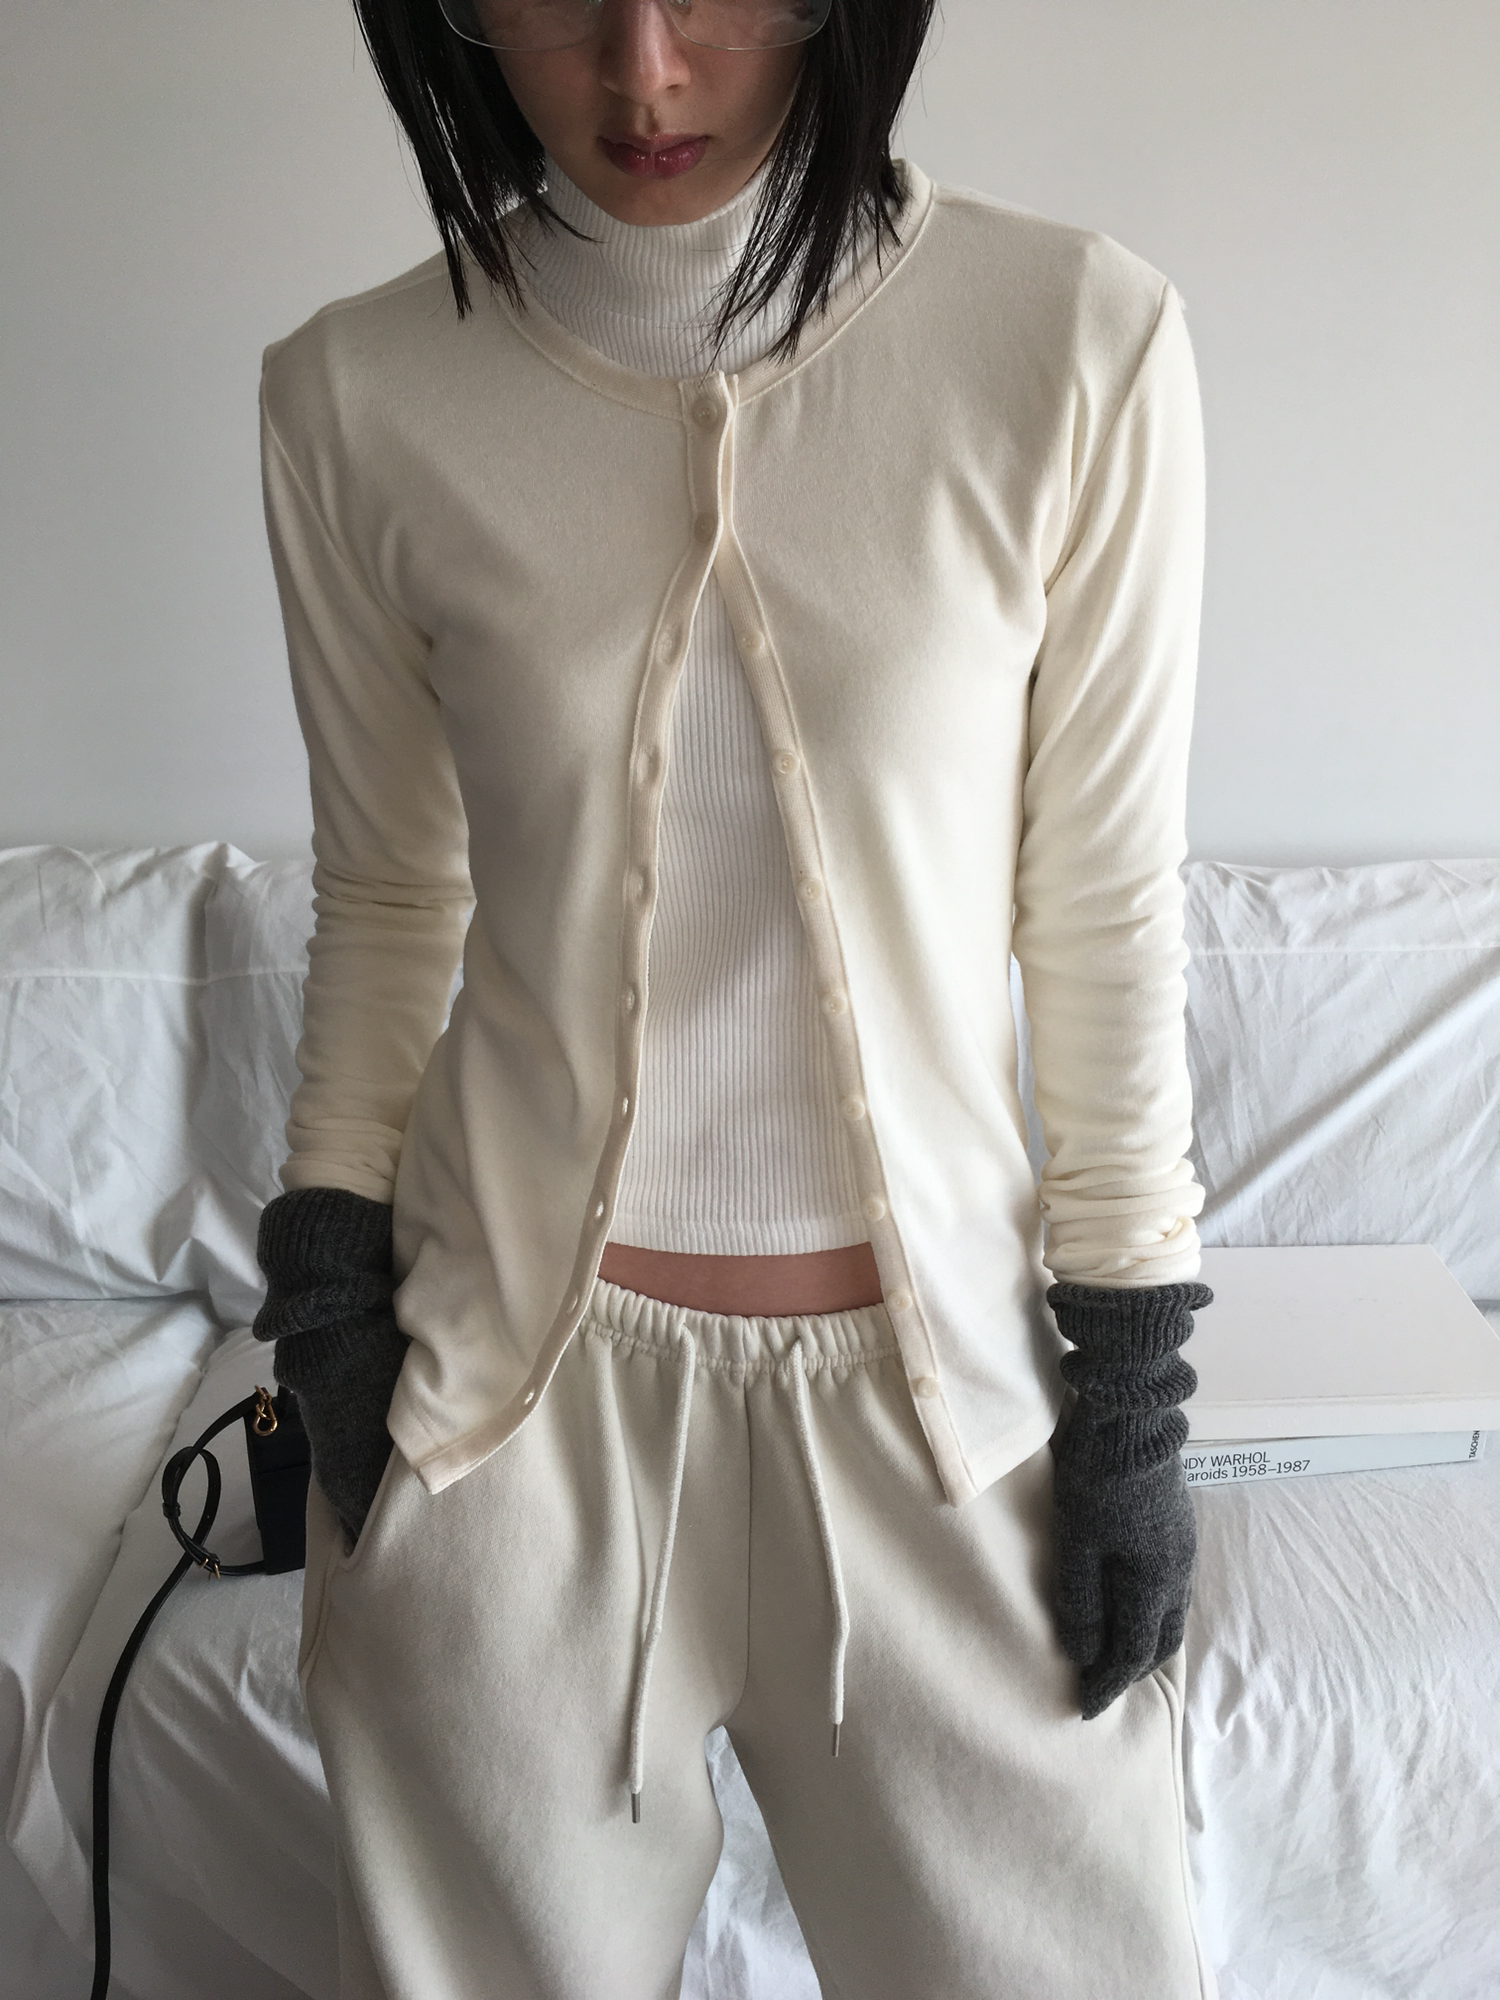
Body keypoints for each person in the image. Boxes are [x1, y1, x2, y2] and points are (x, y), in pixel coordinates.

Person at [252, 0, 1217, 1993]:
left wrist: (1131, 1381)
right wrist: (331, 1287)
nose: (644, 71)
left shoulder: (1073, 345)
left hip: (943, 1422)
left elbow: (1103, 909)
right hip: (504, 1423)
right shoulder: (355, 395)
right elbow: (389, 895)